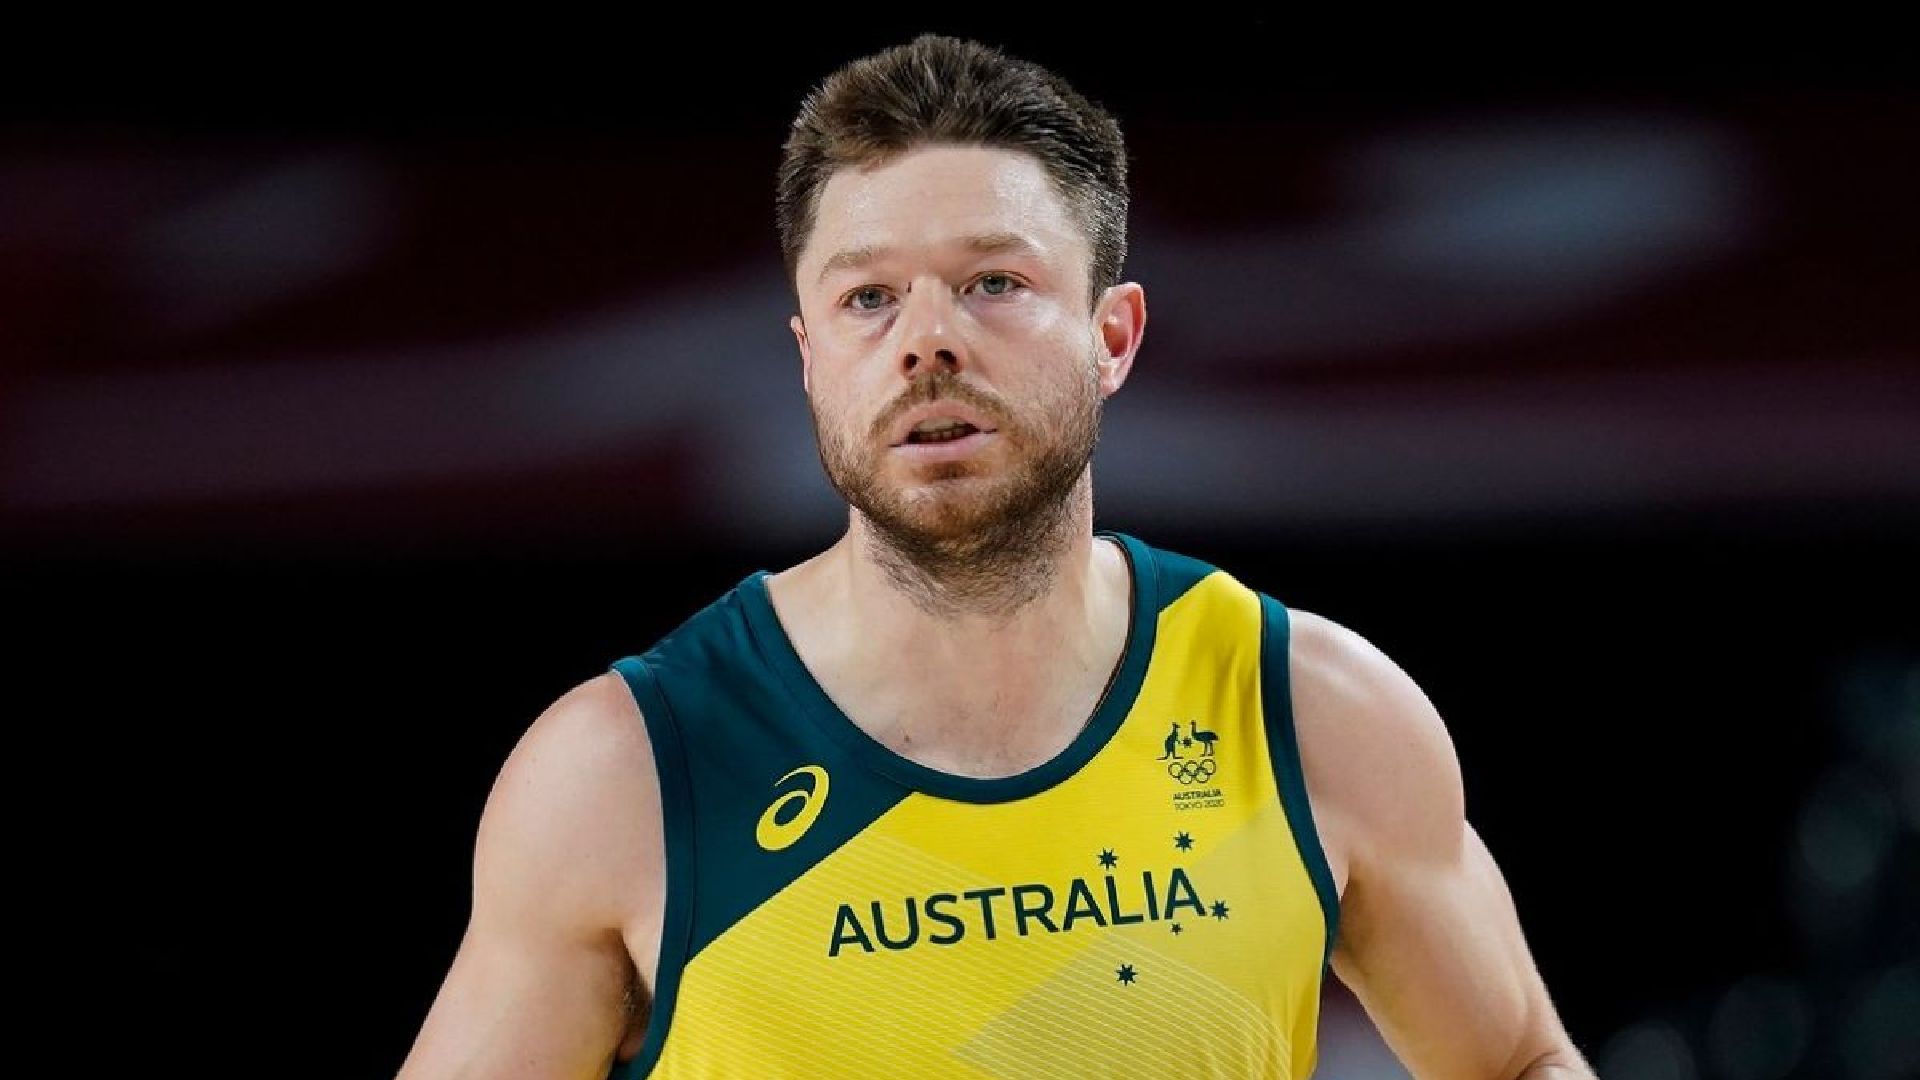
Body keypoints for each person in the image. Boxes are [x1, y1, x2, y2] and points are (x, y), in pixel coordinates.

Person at [396, 33, 1596, 1080]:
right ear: (809, 356)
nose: (928, 342)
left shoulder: (1305, 709)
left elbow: (1518, 1059)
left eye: (993, 283)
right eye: (869, 299)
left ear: (1113, 335)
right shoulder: (623, 778)